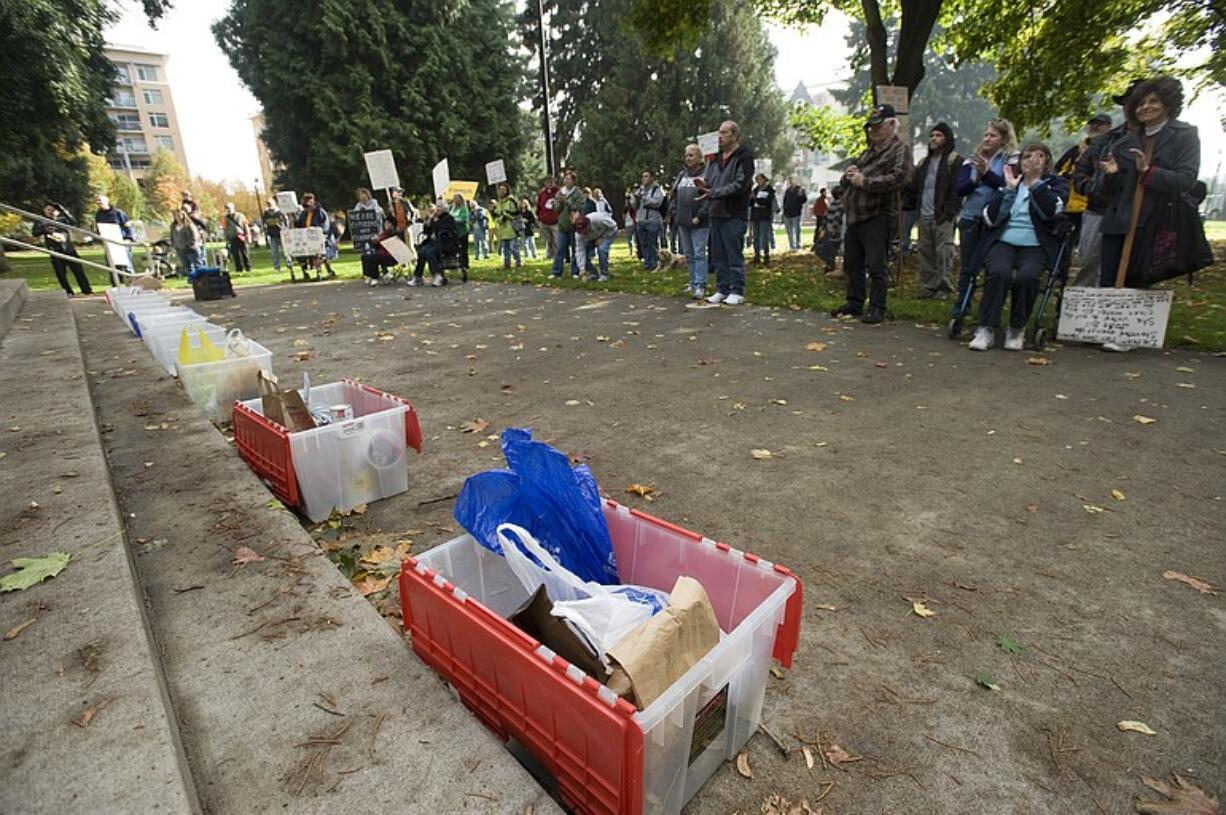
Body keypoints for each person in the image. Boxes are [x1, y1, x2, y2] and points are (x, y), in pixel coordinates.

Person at [1097, 76, 1203, 292]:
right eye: (1141, 103)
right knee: (1108, 286)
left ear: (1167, 103)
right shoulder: (1123, 142)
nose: (1146, 107)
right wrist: (1110, 175)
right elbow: (1104, 190)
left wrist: (1149, 171)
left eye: (1153, 101)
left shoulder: (1185, 135)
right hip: (1118, 224)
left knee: (1139, 288)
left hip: (1155, 224)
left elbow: (1185, 180)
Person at [968, 143, 1069, 351]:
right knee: (998, 273)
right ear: (1019, 162)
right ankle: (986, 328)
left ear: (1047, 162)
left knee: (1028, 277)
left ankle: (1016, 328)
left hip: (1036, 244)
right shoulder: (1010, 183)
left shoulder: (1056, 184)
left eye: (1040, 156)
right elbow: (990, 218)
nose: (1033, 161)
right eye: (1027, 157)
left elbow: (1052, 213)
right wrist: (1009, 191)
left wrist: (1035, 184)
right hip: (1004, 240)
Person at [829, 105, 913, 324]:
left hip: (878, 214)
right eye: (870, 127)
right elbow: (846, 181)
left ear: (892, 125)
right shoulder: (867, 152)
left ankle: (877, 306)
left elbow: (900, 178)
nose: (873, 131)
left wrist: (865, 182)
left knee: (877, 264)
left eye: (878, 126)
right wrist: (847, 176)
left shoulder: (900, 150)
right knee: (852, 263)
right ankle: (855, 302)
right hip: (856, 215)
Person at [1072, 84, 1142, 288]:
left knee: (1131, 272)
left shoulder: (1156, 140)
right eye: (1128, 101)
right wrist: (1095, 189)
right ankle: (1076, 316)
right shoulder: (1105, 140)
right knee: (1089, 267)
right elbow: (1080, 172)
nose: (1134, 106)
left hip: (1137, 216)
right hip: (1099, 212)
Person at [951, 118, 1018, 318]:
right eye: (986, 134)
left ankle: (988, 312)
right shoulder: (973, 159)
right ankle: (961, 307)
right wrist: (976, 179)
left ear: (1004, 140)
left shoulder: (1012, 159)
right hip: (971, 217)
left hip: (996, 221)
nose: (987, 139)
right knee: (968, 266)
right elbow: (960, 188)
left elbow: (1008, 186)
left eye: (993, 135)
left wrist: (987, 174)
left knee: (992, 268)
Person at [698, 120, 754, 306]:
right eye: (718, 133)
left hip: (734, 213)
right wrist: (704, 186)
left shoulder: (744, 157)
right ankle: (722, 289)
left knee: (733, 253)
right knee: (718, 254)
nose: (719, 137)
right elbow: (710, 181)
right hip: (716, 212)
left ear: (735, 135)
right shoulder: (715, 159)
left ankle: (737, 290)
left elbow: (741, 185)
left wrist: (713, 193)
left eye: (724, 133)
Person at [912, 122, 963, 299]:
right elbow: (914, 187)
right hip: (924, 214)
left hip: (943, 215)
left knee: (944, 252)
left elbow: (957, 190)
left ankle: (944, 287)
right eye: (932, 136)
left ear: (947, 138)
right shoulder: (923, 162)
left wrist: (949, 211)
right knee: (925, 251)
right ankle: (929, 285)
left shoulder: (954, 160)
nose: (934, 139)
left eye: (938, 135)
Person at [1054, 114, 1112, 270]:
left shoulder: (1112, 149)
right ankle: (1061, 272)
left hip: (1095, 206)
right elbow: (1057, 171)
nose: (1095, 127)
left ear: (1109, 127)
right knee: (1066, 242)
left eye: (1100, 124)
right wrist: (1072, 176)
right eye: (1092, 124)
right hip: (1072, 205)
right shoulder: (1075, 150)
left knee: (1091, 247)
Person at [671, 143, 712, 299]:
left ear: (700, 157)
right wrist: (675, 213)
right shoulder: (682, 175)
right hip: (683, 221)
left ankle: (701, 284)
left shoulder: (706, 174)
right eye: (686, 155)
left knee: (699, 252)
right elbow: (673, 196)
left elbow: (709, 198)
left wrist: (700, 216)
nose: (688, 158)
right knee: (689, 254)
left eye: (691, 155)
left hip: (699, 221)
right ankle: (693, 282)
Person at [32, 202, 92, 295]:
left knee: (79, 271)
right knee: (61, 274)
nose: (50, 212)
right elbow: (35, 232)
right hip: (55, 250)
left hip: (68, 249)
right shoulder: (41, 221)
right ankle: (68, 292)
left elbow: (72, 222)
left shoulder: (62, 219)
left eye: (52, 210)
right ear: (44, 210)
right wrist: (45, 229)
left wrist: (63, 210)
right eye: (48, 210)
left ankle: (86, 290)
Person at [408, 201, 460, 287]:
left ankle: (438, 275)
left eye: (440, 207)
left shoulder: (448, 218)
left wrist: (435, 221)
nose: (438, 209)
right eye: (437, 207)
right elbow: (426, 231)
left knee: (429, 252)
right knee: (422, 252)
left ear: (444, 209)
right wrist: (428, 222)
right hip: (434, 242)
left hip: (445, 243)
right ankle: (418, 276)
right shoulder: (435, 218)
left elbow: (443, 231)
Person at [548, 171, 587, 279]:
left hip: (575, 226)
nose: (566, 181)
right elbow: (556, 209)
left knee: (575, 249)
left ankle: (575, 271)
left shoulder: (578, 193)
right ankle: (556, 272)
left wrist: (567, 202)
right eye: (565, 179)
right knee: (560, 249)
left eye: (569, 179)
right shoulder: (560, 192)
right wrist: (559, 202)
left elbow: (580, 207)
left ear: (574, 181)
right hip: (562, 225)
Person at [292, 192, 332, 281]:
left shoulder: (320, 212)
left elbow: (326, 226)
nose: (307, 209)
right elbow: (299, 224)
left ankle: (321, 271)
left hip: (318, 239)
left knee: (317, 253)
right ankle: (305, 272)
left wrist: (318, 231)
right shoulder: (303, 214)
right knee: (298, 253)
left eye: (308, 207)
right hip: (306, 239)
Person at [630, 171, 665, 271]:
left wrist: (644, 199)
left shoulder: (657, 189)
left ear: (651, 178)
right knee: (643, 243)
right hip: (640, 220)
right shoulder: (640, 190)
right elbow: (634, 205)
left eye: (646, 176)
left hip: (653, 220)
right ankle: (647, 263)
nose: (643, 178)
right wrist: (634, 200)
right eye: (642, 176)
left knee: (652, 243)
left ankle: (655, 263)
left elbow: (657, 202)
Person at [574, 211, 618, 282]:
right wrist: (581, 268)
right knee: (585, 253)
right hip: (593, 237)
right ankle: (593, 273)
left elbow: (614, 227)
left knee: (602, 249)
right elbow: (580, 250)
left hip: (608, 233)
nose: (583, 233)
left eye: (584, 230)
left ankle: (604, 274)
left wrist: (603, 237)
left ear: (588, 225)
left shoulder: (599, 219)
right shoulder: (579, 234)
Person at [94, 194, 134, 271]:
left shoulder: (118, 213)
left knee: (127, 265)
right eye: (97, 201)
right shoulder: (98, 214)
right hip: (108, 243)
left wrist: (129, 239)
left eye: (100, 200)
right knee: (111, 265)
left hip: (122, 242)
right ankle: (115, 282)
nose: (98, 202)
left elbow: (128, 226)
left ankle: (131, 280)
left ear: (107, 201)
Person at [361, 217, 403, 286]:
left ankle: (375, 277)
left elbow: (394, 245)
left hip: (391, 256)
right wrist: (375, 241)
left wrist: (380, 240)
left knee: (374, 257)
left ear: (392, 225)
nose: (385, 225)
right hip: (381, 254)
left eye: (387, 223)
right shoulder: (383, 233)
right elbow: (377, 245)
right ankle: (368, 275)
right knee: (365, 257)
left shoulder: (396, 234)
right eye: (385, 223)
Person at [814, 187, 845, 276]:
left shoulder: (832, 204)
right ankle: (835, 267)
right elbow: (837, 218)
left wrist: (824, 227)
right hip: (836, 230)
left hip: (828, 228)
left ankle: (829, 265)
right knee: (837, 249)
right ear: (840, 195)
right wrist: (834, 228)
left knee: (830, 249)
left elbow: (825, 216)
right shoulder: (841, 205)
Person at [491, 183, 521, 269]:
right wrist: (494, 212)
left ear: (507, 190)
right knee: (506, 248)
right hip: (502, 228)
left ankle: (517, 261)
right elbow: (497, 214)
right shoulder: (499, 202)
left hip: (510, 227)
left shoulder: (511, 200)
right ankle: (507, 264)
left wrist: (506, 215)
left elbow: (516, 213)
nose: (502, 191)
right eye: (500, 189)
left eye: (504, 189)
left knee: (513, 247)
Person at [749, 174, 777, 265]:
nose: (759, 181)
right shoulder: (755, 190)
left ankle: (766, 256)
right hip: (755, 216)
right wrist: (751, 198)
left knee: (764, 237)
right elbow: (751, 203)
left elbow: (767, 203)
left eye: (760, 179)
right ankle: (756, 256)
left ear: (765, 179)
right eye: (757, 180)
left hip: (764, 216)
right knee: (756, 237)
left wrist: (756, 199)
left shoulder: (770, 190)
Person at [169, 209, 203, 277]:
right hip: (180, 250)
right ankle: (192, 280)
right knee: (187, 267)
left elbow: (194, 237)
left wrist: (187, 245)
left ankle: (202, 279)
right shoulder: (173, 226)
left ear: (183, 216)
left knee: (198, 265)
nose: (178, 217)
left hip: (191, 249)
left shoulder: (189, 225)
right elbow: (172, 237)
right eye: (176, 216)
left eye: (179, 215)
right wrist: (175, 246)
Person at [221, 203, 252, 273]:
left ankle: (248, 268)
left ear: (233, 208)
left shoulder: (241, 216)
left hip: (242, 236)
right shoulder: (225, 218)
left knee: (245, 253)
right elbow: (224, 229)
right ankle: (239, 269)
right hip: (232, 237)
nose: (228, 210)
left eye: (229, 208)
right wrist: (226, 239)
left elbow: (246, 226)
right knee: (235, 254)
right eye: (227, 208)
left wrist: (248, 236)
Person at [536, 176, 561, 258]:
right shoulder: (542, 194)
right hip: (544, 221)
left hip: (555, 221)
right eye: (548, 182)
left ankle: (558, 255)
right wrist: (539, 217)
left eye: (551, 182)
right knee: (548, 240)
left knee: (557, 240)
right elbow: (539, 206)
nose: (549, 184)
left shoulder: (559, 192)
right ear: (545, 183)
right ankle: (550, 254)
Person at [261, 198, 287, 272]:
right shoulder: (266, 213)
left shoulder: (280, 212)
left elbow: (285, 222)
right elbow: (264, 223)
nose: (269, 205)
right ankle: (277, 268)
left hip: (282, 234)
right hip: (272, 235)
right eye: (268, 204)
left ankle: (289, 265)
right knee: (274, 252)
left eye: (270, 203)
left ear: (274, 203)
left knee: (286, 252)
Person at [781, 177, 807, 252]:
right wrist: (784, 211)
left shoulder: (800, 190)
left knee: (797, 230)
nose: (791, 182)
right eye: (790, 181)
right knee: (789, 231)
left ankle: (797, 245)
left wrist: (801, 195)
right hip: (787, 213)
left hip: (796, 213)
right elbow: (785, 201)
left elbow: (804, 200)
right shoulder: (788, 190)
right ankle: (791, 245)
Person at [450, 193, 470, 281]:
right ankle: (455, 264)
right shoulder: (451, 208)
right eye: (454, 198)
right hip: (453, 233)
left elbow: (464, 219)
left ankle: (465, 265)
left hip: (462, 232)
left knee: (463, 250)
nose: (456, 200)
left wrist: (454, 220)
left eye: (457, 198)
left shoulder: (464, 208)